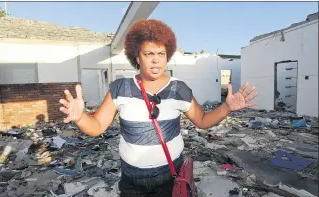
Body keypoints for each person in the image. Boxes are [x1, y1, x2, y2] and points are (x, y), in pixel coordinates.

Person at [59, 19, 258, 197]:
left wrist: (226, 107)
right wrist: (80, 117)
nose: (156, 60)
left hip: (169, 175)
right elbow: (97, 126)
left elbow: (202, 120)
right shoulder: (120, 88)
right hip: (132, 179)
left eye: (161, 54)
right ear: (137, 57)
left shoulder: (178, 88)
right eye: (149, 54)